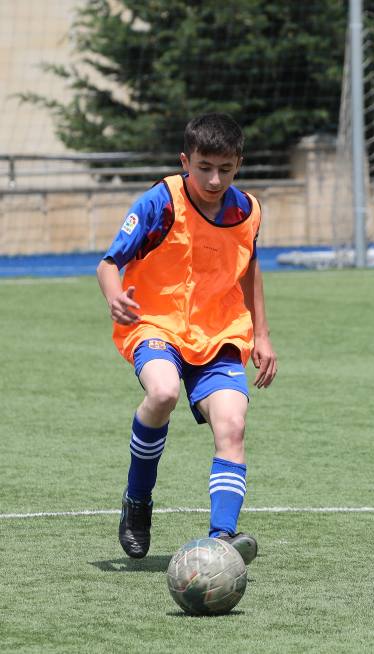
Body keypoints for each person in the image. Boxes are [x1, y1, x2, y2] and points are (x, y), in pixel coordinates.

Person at [96, 112, 277, 565]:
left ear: (238, 164)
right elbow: (108, 264)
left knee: (232, 425)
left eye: (226, 169)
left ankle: (223, 538)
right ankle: (138, 499)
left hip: (220, 333)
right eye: (204, 168)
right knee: (162, 393)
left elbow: (250, 269)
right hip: (156, 324)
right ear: (185, 161)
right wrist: (115, 298)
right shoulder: (161, 202)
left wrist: (262, 334)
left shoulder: (248, 211)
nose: (214, 179)